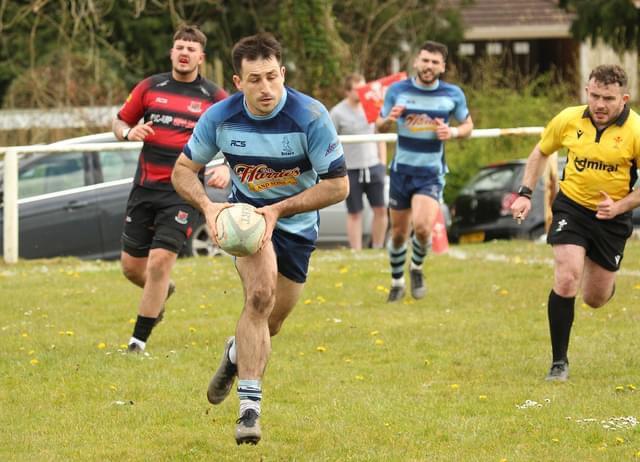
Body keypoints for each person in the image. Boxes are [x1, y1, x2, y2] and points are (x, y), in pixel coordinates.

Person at [171, 33, 348, 445]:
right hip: (247, 222)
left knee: (274, 321)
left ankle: (236, 354)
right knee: (259, 297)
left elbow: (338, 187)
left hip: (296, 224)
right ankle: (249, 411)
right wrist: (210, 207)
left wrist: (279, 210)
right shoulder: (220, 116)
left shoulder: (311, 116)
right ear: (238, 81)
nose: (265, 88)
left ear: (283, 73)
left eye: (272, 77)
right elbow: (182, 170)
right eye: (255, 79)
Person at [510, 64, 640, 382]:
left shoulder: (636, 131)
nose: (599, 104)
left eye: (608, 98)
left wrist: (620, 205)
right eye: (594, 95)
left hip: (613, 218)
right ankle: (559, 363)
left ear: (624, 98)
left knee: (594, 298)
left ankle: (604, 284)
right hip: (572, 208)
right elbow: (540, 152)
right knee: (567, 277)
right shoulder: (569, 119)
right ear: (586, 92)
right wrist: (525, 193)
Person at [112, 25, 228, 353]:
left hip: (183, 190)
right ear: (172, 52)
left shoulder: (214, 98)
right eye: (179, 47)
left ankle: (137, 343)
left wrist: (227, 167)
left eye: (191, 49)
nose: (184, 53)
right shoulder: (151, 87)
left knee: (159, 262)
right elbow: (119, 121)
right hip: (145, 187)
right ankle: (164, 290)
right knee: (132, 268)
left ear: (201, 57)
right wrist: (127, 133)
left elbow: (241, 133)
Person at [376, 40, 473, 302]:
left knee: (421, 228)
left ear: (443, 67)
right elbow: (379, 126)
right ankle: (397, 282)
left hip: (430, 173)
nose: (429, 66)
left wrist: (452, 132)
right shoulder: (397, 90)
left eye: (435, 62)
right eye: (425, 60)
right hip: (401, 172)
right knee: (398, 233)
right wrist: (389, 120)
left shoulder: (452, 94)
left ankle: (416, 267)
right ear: (416, 62)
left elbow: (468, 126)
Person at [330, 73, 388, 250]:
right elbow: (330, 141)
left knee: (380, 210)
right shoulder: (337, 112)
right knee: (355, 213)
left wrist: (382, 164)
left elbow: (380, 135)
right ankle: (356, 251)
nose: (363, 92)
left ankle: (377, 247)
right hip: (351, 169)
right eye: (358, 89)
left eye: (365, 88)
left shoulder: (372, 107)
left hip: (373, 166)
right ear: (348, 91)